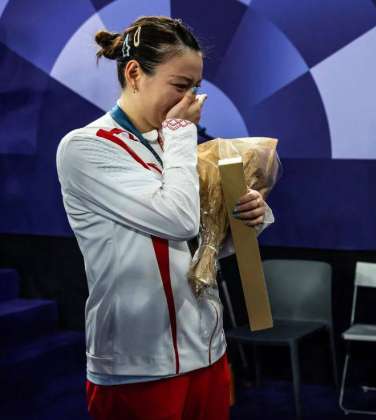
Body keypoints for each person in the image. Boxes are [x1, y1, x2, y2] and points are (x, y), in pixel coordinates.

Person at [55, 16, 272, 420]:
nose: (192, 100)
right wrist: (180, 132)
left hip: (207, 351)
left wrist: (247, 217)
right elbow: (178, 221)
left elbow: (202, 244)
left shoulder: (173, 143)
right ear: (135, 74)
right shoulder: (86, 147)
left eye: (195, 87)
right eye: (179, 85)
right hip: (138, 366)